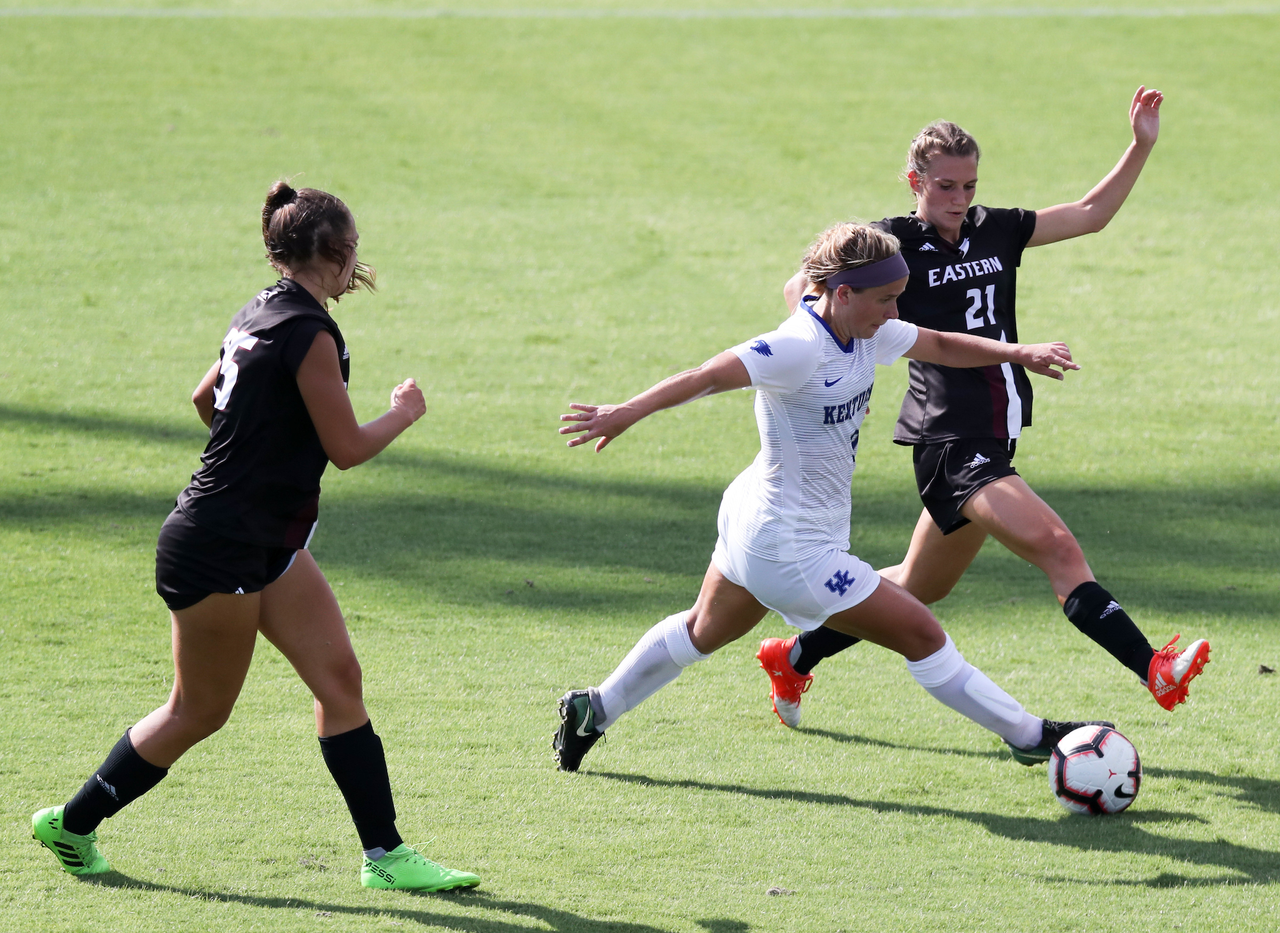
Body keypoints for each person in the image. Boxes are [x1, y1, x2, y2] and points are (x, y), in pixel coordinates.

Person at [32, 183, 480, 892]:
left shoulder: (260, 309)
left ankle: (386, 855)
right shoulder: (311, 334)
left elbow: (205, 397)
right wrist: (404, 412)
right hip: (218, 547)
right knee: (200, 709)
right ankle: (72, 822)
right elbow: (347, 447)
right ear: (331, 253)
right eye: (353, 248)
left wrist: (258, 465)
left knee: (340, 680)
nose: (358, 260)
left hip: (265, 538)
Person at [552, 221, 1107, 774]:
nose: (894, 313)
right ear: (843, 294)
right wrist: (624, 412)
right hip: (790, 545)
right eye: (886, 300)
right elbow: (707, 375)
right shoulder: (795, 347)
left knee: (702, 629)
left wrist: (1018, 353)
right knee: (922, 633)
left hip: (758, 517)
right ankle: (1029, 735)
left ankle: (593, 709)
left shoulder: (864, 328)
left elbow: (937, 344)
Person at [758, 87, 1209, 731]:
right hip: (948, 436)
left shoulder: (995, 228)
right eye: (944, 185)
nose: (959, 198)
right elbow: (801, 288)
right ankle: (1153, 669)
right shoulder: (888, 245)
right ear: (915, 181)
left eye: (968, 185)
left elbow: (1088, 213)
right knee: (1057, 547)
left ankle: (795, 654)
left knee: (919, 585)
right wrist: (817, 341)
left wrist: (1140, 144)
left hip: (993, 435)